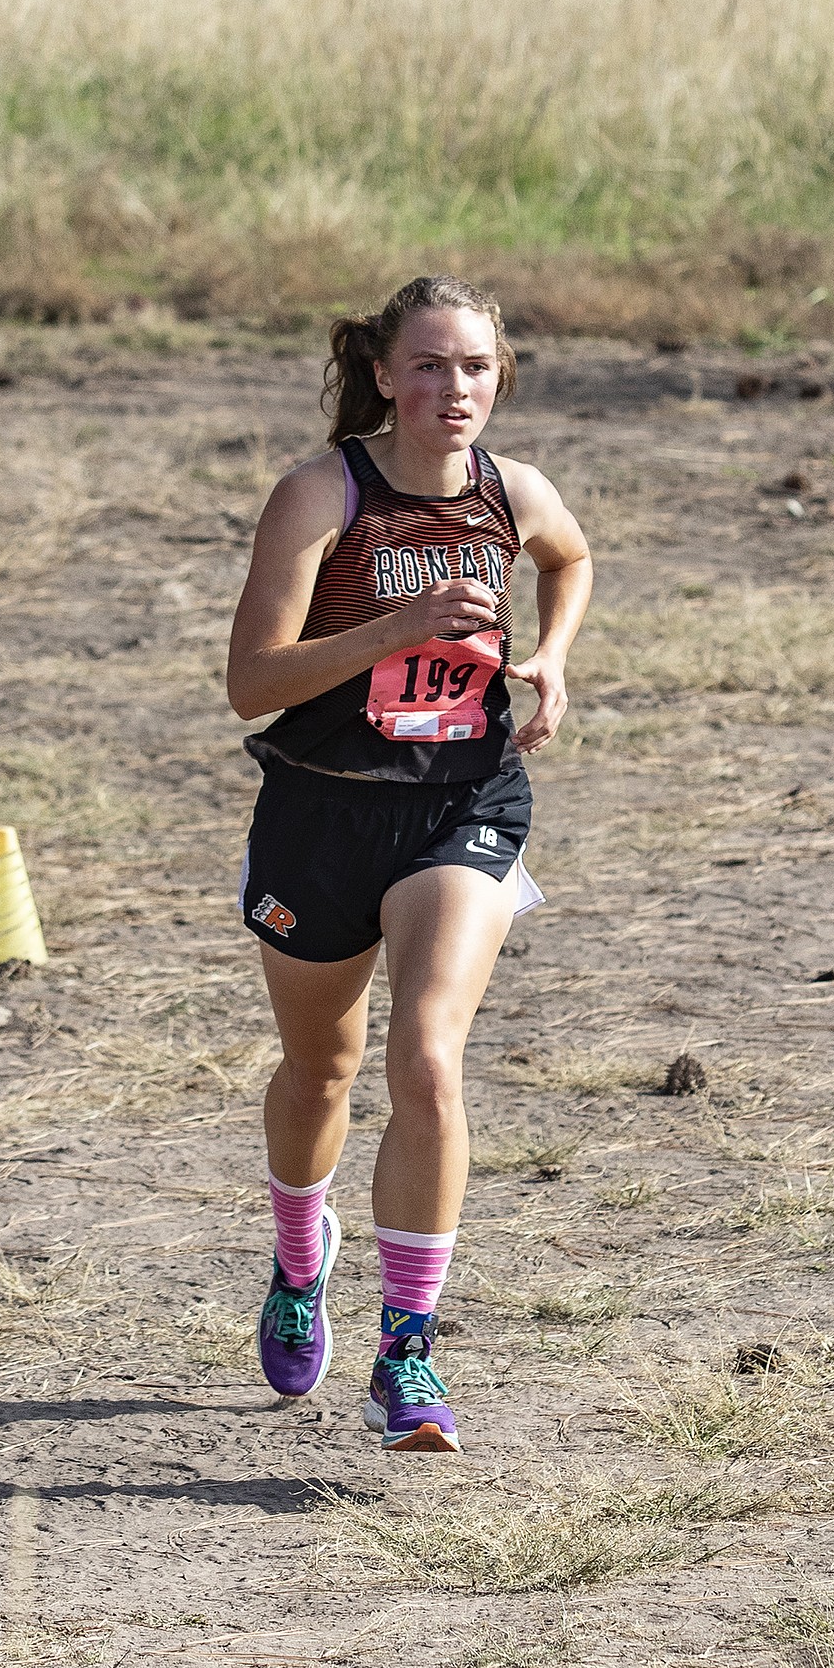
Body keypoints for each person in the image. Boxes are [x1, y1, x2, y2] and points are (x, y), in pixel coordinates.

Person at [227, 274, 592, 1452]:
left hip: (460, 806)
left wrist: (554, 657)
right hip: (321, 813)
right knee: (318, 1074)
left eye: (476, 367)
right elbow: (252, 682)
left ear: (502, 378)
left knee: (428, 1055)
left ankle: (408, 1351)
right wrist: (400, 626)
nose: (455, 388)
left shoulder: (513, 491)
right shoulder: (320, 493)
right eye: (429, 365)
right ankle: (299, 1257)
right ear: (384, 374)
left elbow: (570, 556)